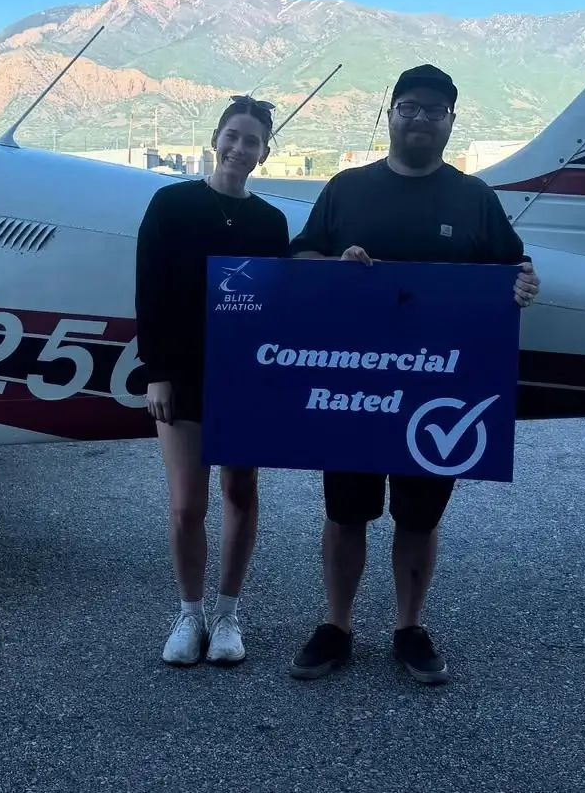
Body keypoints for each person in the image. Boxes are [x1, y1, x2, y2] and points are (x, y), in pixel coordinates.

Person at [285, 63, 540, 685]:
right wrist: (333, 265)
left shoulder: (474, 198)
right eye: (409, 107)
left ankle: (409, 627)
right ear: (390, 114)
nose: (420, 118)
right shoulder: (346, 188)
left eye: (434, 109)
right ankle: (337, 625)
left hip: (438, 389)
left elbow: (513, 269)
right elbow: (299, 258)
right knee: (346, 512)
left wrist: (525, 284)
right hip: (354, 387)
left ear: (451, 121)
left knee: (419, 518)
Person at [134, 95, 290, 667]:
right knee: (185, 505)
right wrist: (156, 373)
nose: (239, 148)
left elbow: (281, 300)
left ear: (265, 152)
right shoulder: (171, 205)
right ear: (215, 139)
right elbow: (149, 291)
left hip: (244, 377)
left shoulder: (270, 223)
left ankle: (227, 614)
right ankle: (189, 613)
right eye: (233, 135)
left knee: (241, 493)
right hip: (181, 374)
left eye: (252, 141)